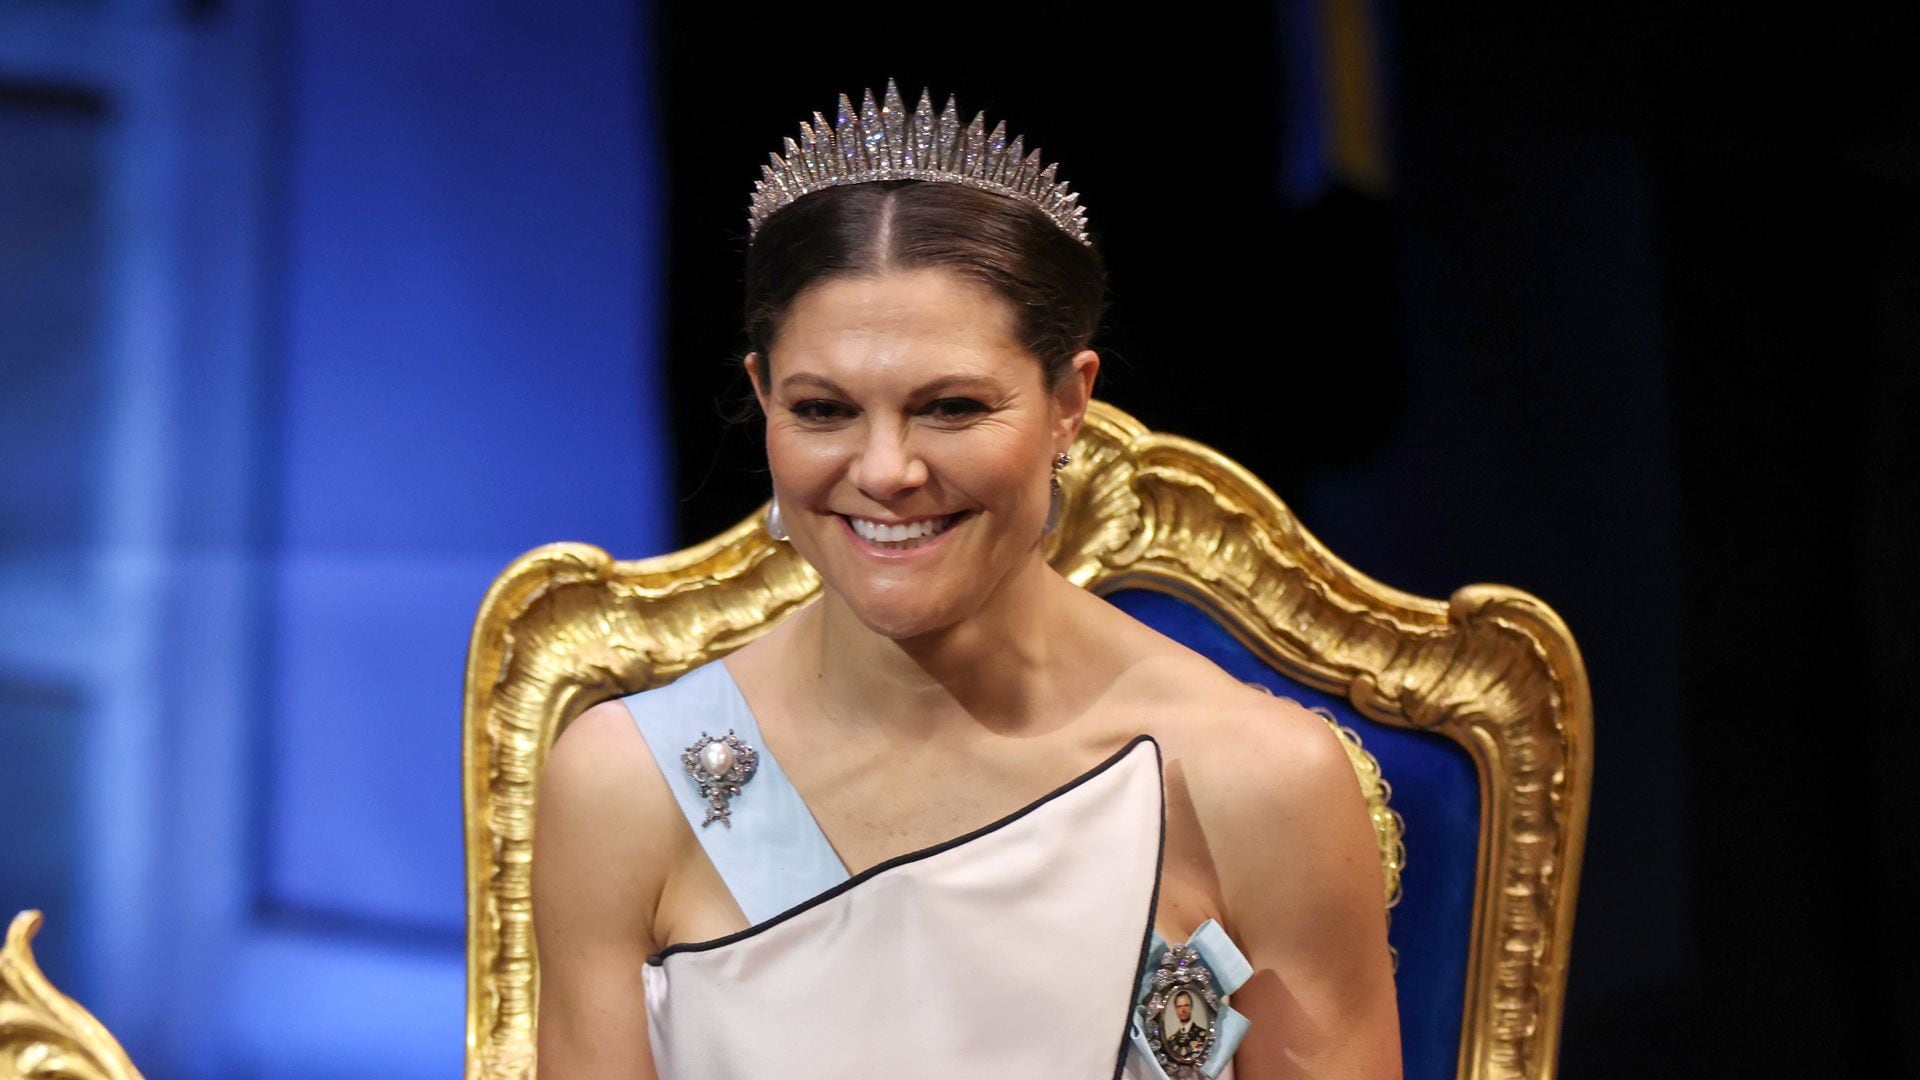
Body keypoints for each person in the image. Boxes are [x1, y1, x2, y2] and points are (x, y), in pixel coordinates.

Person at [532, 82, 1401, 1079]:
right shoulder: (632, 784)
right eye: (823, 410)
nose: (886, 469)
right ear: (762, 396)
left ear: (1070, 403)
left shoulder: (1256, 784)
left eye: (949, 407)